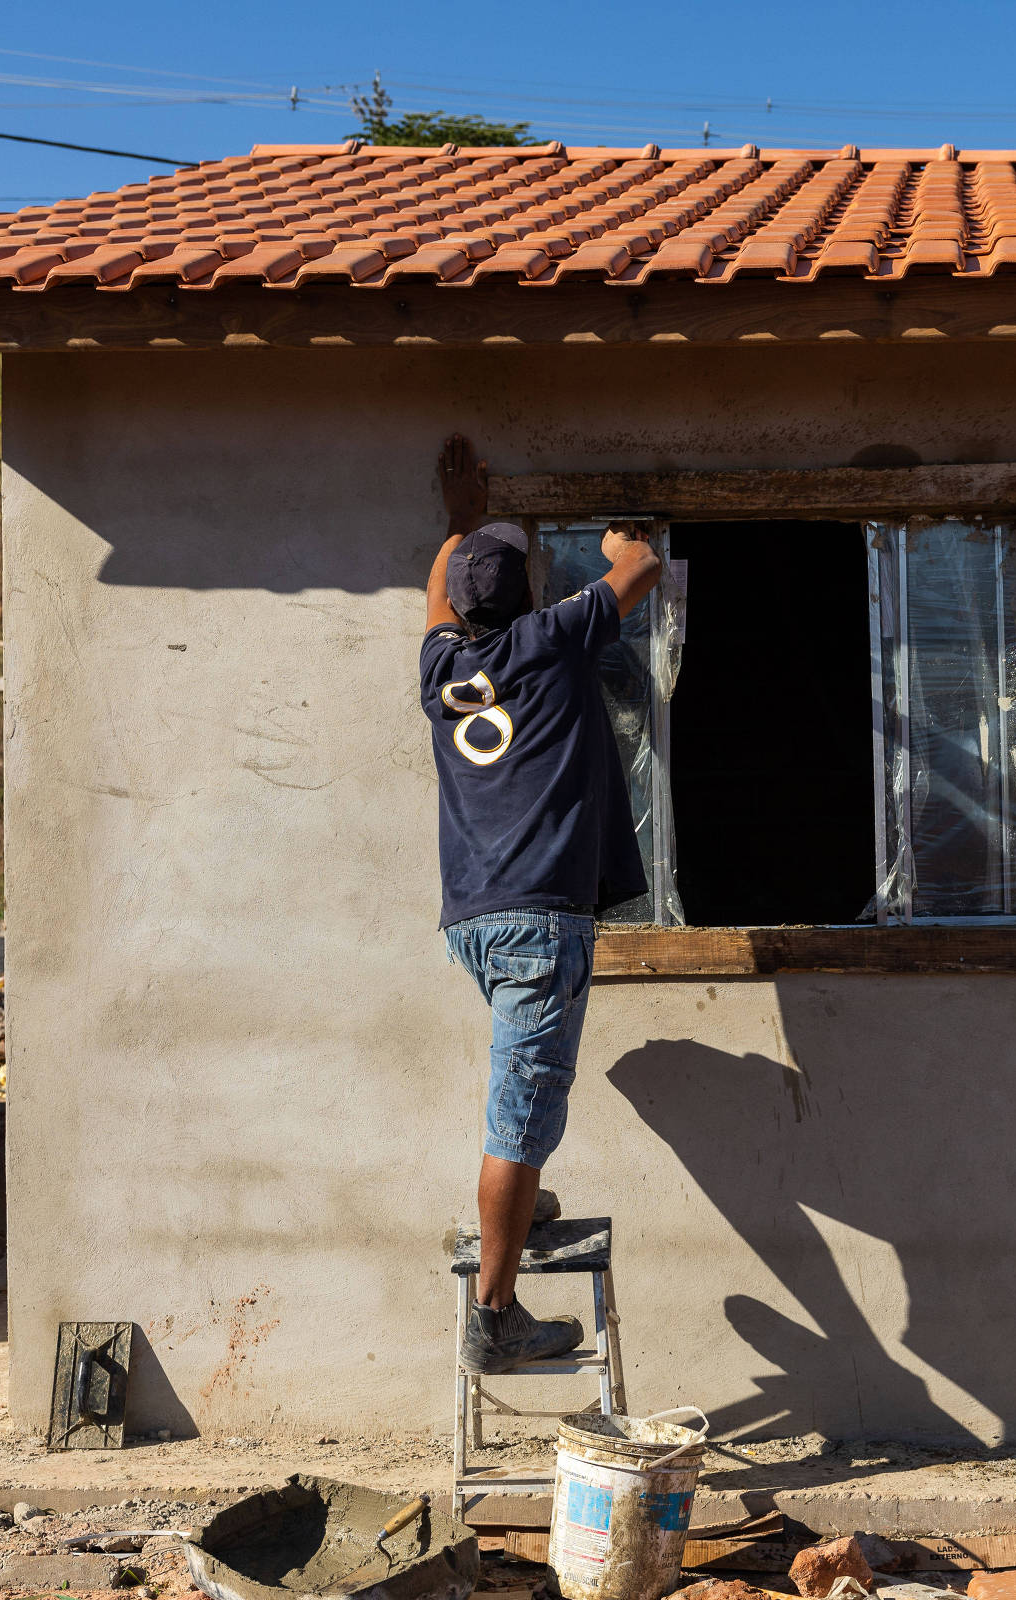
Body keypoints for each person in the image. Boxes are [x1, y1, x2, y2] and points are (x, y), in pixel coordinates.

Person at [420, 434, 663, 1374]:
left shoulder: (443, 671)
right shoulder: (553, 640)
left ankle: (522, 1203)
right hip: (538, 923)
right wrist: (620, 545)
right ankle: (496, 1315)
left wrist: (457, 520)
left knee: (524, 1098)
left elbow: (442, 593)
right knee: (515, 1119)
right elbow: (638, 566)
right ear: (525, 597)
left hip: (474, 922)